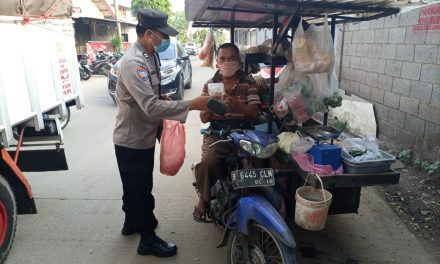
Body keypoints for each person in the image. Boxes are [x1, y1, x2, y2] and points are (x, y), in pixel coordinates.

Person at [113, 9, 209, 258]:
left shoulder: (150, 54)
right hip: (132, 139)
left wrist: (162, 97)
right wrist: (192, 104)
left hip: (144, 135)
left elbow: (151, 97)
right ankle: (147, 240)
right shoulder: (134, 63)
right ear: (148, 34)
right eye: (161, 36)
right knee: (140, 188)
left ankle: (131, 222)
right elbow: (151, 106)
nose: (164, 40)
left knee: (134, 185)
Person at [193, 43, 261, 222]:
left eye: (231, 59)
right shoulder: (210, 84)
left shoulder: (249, 82)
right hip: (218, 133)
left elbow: (254, 112)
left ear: (239, 61)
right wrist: (211, 104)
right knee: (208, 162)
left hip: (244, 132)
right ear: (217, 62)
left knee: (262, 161)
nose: (227, 62)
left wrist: (236, 105)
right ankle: (204, 199)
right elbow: (203, 118)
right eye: (222, 59)